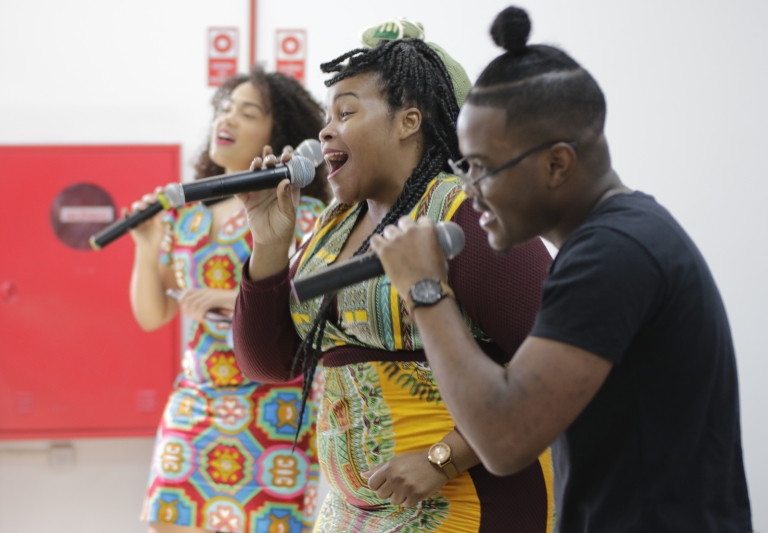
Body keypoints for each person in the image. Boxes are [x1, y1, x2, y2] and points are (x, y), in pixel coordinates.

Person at [370, 7, 752, 533]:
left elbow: (504, 439)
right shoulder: (615, 240)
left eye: (482, 167)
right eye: (464, 168)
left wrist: (426, 290)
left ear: (557, 163)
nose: (470, 189)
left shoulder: (614, 254)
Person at [231, 31, 555, 533]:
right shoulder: (334, 226)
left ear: (408, 122)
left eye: (346, 113)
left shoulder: (467, 214)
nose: (325, 134)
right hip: (350, 512)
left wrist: (443, 458)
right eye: (326, 118)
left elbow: (555, 369)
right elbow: (267, 363)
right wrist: (270, 245)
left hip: (468, 501)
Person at [128, 68, 330, 533]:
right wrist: (144, 246)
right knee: (169, 520)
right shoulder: (186, 218)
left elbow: (316, 304)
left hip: (274, 405)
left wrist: (228, 296)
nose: (229, 118)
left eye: (248, 112)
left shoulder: (306, 215)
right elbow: (152, 315)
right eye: (225, 108)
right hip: (196, 397)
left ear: (276, 133)